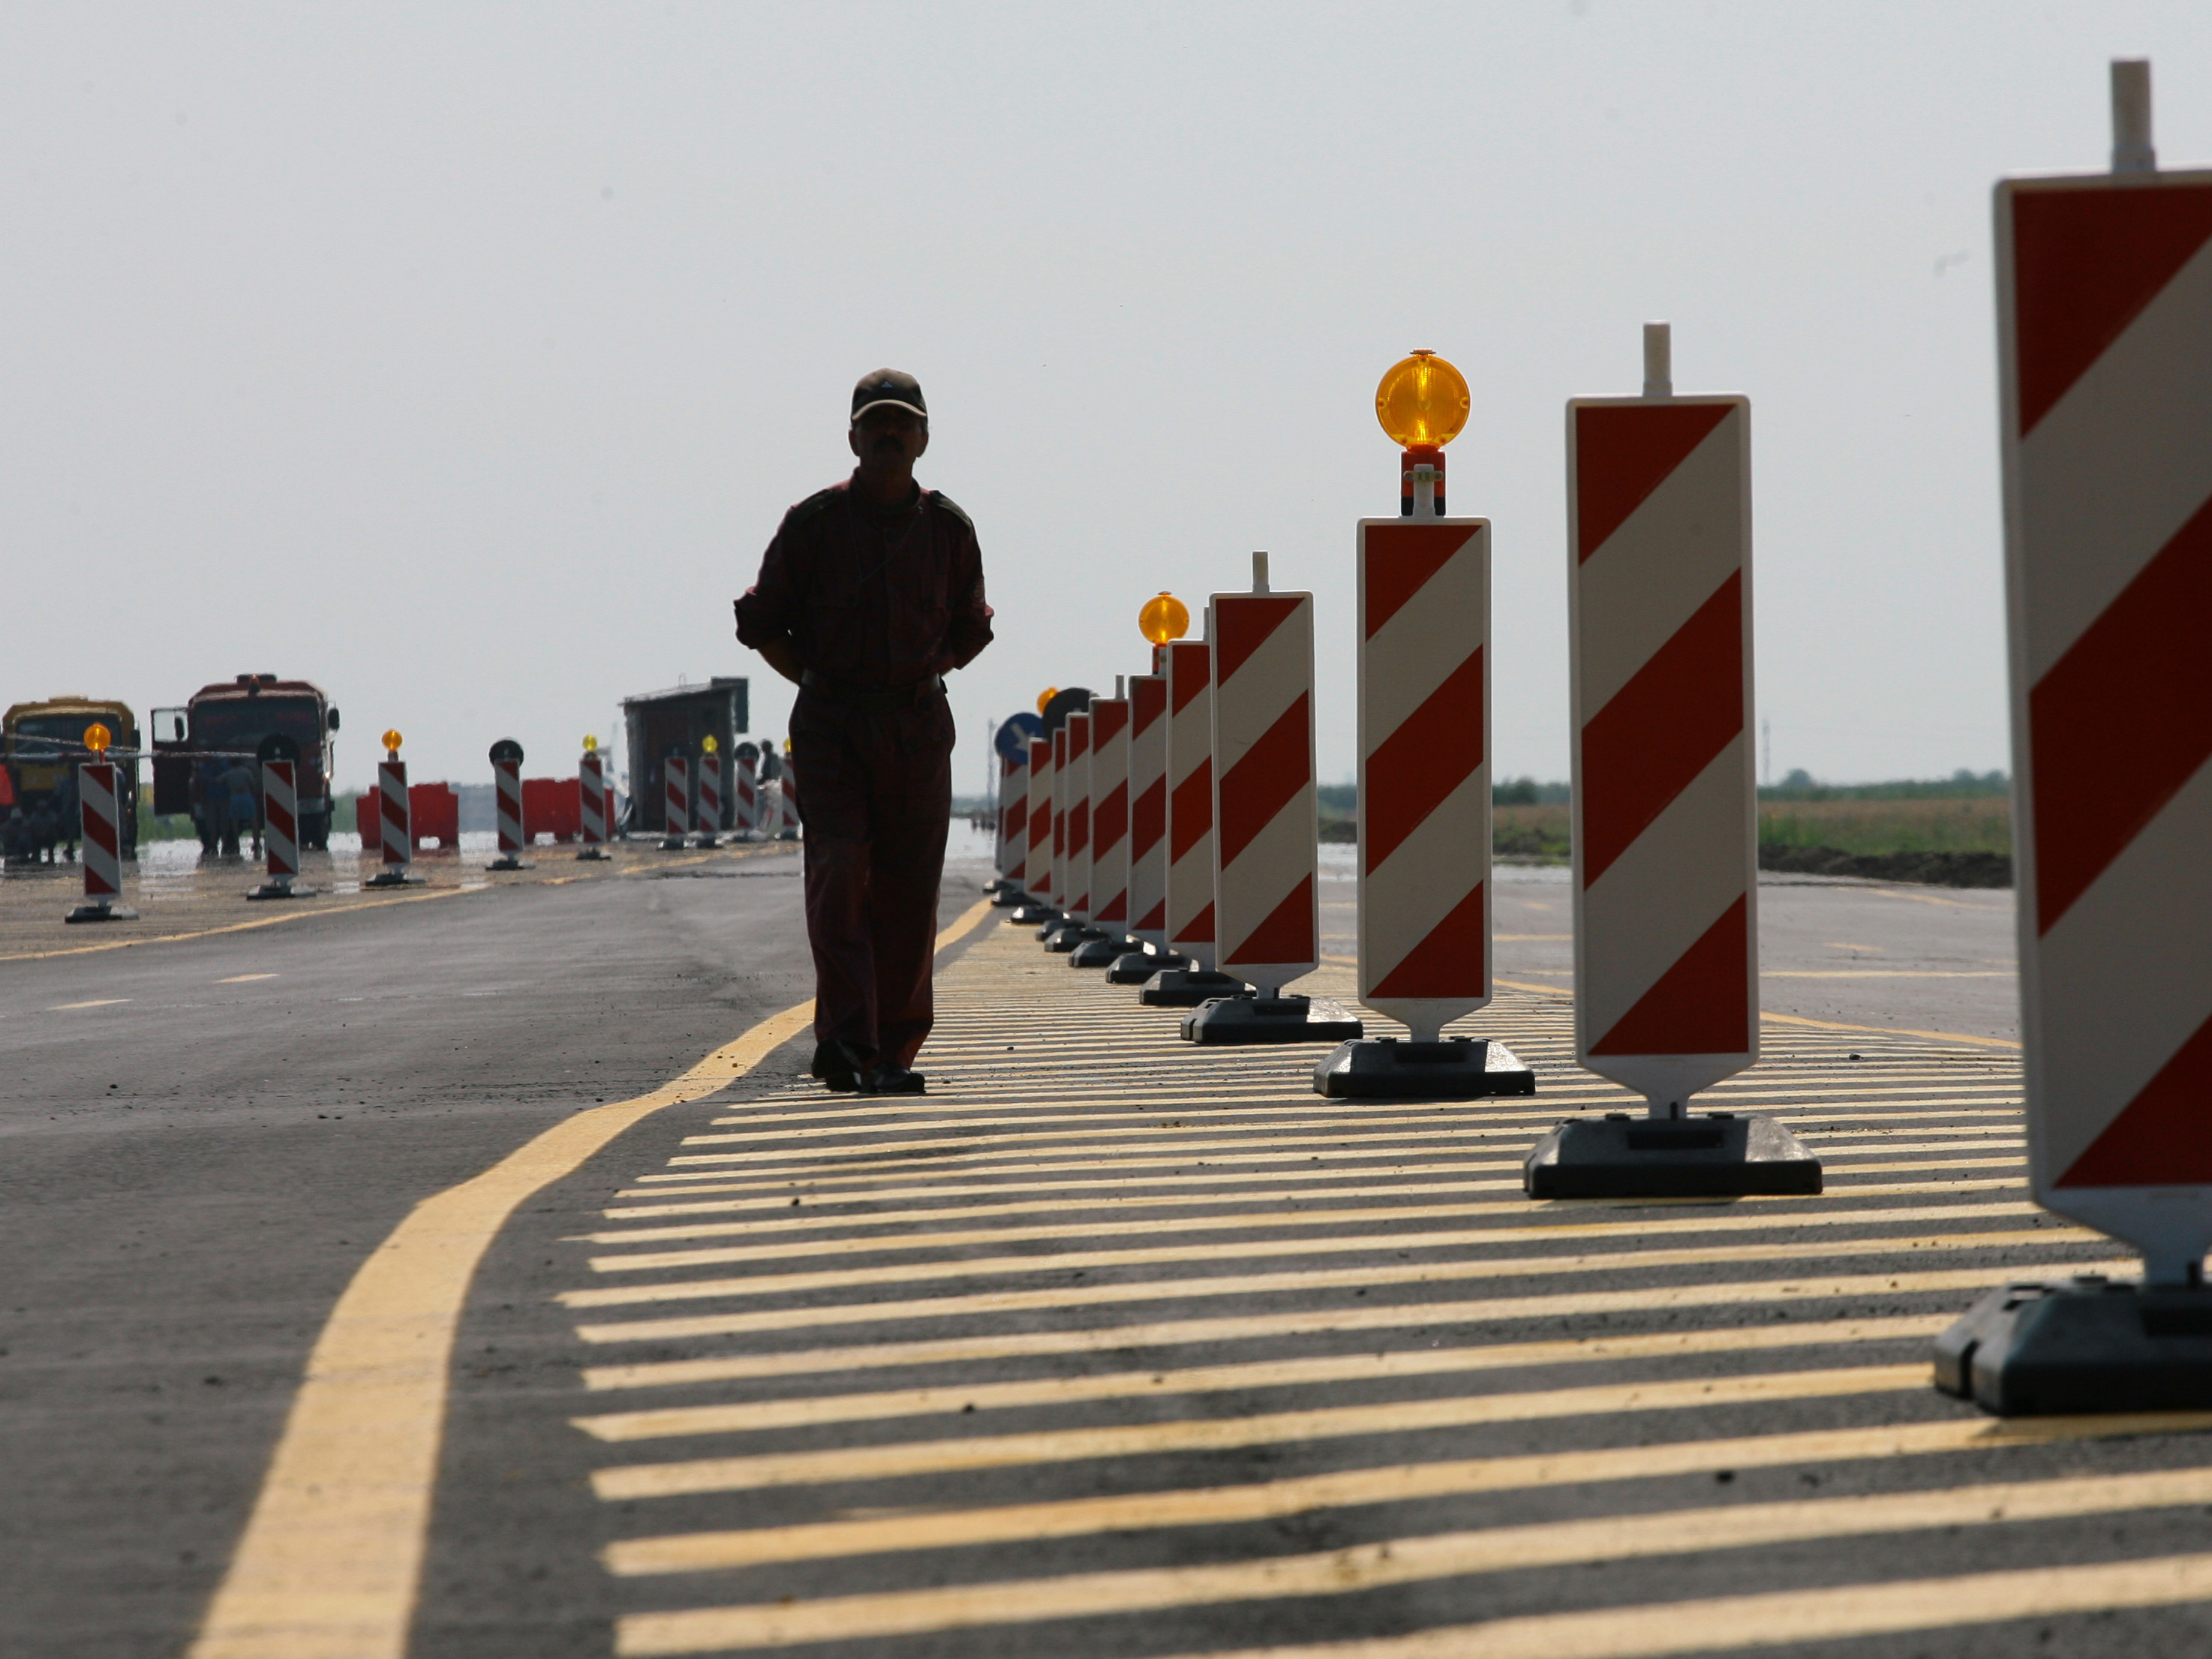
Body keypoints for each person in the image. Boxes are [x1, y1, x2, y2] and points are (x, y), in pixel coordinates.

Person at [735, 369, 993, 1095]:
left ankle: (894, 1050)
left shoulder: (949, 529)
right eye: (875, 423)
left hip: (915, 730)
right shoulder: (814, 522)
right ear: (852, 436)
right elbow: (760, 624)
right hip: (832, 730)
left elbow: (972, 629)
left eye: (901, 423)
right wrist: (825, 687)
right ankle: (846, 1040)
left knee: (910, 895)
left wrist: (912, 683)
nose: (888, 434)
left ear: (923, 438)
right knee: (840, 875)